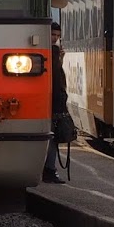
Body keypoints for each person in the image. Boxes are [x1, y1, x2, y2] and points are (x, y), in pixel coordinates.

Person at [44, 21, 69, 183]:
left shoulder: (53, 52)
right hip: (53, 101)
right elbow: (57, 80)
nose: (55, 38)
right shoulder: (52, 52)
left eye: (58, 36)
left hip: (51, 100)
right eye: (53, 35)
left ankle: (49, 169)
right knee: (53, 138)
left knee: (51, 137)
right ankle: (50, 170)